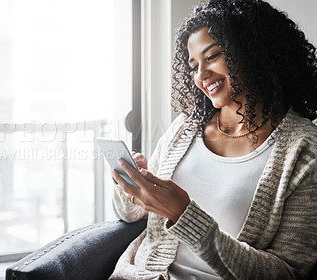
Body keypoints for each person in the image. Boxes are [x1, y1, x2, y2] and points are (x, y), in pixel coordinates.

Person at [109, 0, 317, 279]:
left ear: (255, 52)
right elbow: (130, 215)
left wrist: (184, 214)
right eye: (193, 65)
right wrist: (131, 187)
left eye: (213, 56)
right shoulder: (186, 128)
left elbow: (289, 273)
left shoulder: (304, 150)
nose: (200, 76)